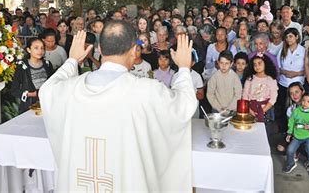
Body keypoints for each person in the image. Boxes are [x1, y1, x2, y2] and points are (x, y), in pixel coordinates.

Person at [39, 25, 197, 192]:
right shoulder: (145, 91)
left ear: (100, 48)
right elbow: (184, 105)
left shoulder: (69, 90)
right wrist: (185, 68)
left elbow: (47, 91)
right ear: (134, 50)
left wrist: (72, 61)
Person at [276, 82, 309, 156]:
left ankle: (300, 152)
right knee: (280, 148)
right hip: (298, 135)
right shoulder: (290, 110)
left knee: (308, 147)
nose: (294, 95)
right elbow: (291, 126)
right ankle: (298, 150)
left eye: (297, 92)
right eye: (291, 93)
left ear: (303, 92)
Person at [283, 92, 309, 180]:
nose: (305, 103)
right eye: (303, 100)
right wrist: (289, 133)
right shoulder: (296, 111)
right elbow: (291, 122)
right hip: (297, 136)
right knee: (289, 150)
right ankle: (290, 163)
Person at [11, 38, 54, 113]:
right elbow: (14, 90)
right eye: (36, 48)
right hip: (29, 108)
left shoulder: (47, 64)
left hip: (47, 106)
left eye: (42, 48)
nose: (40, 51)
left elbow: (53, 85)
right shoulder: (22, 66)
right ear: (29, 50)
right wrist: (32, 94)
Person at [276, 28, 306, 133]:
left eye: (291, 36)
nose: (288, 39)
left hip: (298, 83)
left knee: (297, 108)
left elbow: (307, 69)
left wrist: (296, 73)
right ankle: (284, 130)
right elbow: (278, 67)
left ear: (297, 37)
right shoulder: (282, 50)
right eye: (287, 37)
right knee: (283, 108)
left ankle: (298, 130)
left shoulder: (303, 51)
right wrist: (285, 72)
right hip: (284, 83)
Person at [243, 54, 278, 123]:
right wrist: (250, 110)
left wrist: (263, 110)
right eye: (255, 64)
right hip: (251, 109)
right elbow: (245, 95)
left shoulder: (271, 79)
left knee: (265, 130)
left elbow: (273, 97)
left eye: (259, 63)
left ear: (266, 63)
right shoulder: (250, 78)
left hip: (266, 110)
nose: (257, 66)